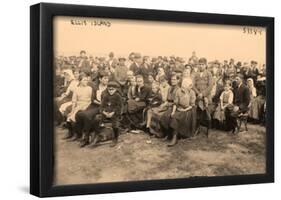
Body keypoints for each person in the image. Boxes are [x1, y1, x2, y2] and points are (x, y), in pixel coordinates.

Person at [76, 71, 109, 147]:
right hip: (95, 105)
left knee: (87, 115)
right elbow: (93, 99)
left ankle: (86, 138)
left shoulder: (109, 87)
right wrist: (98, 103)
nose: (106, 80)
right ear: (100, 79)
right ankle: (81, 134)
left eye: (107, 78)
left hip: (104, 107)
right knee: (80, 114)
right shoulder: (95, 87)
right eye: (105, 78)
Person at [92, 81, 123, 147]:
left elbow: (119, 107)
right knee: (96, 119)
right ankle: (97, 135)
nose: (111, 91)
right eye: (109, 89)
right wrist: (104, 112)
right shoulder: (106, 96)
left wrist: (113, 112)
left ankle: (115, 138)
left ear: (116, 89)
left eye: (112, 89)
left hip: (114, 113)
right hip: (105, 113)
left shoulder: (118, 96)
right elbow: (101, 106)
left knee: (115, 124)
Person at [64, 74, 92, 140]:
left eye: (87, 80)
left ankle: (81, 134)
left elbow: (92, 99)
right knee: (70, 117)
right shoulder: (76, 89)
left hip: (88, 105)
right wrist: (72, 111)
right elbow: (74, 101)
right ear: (80, 81)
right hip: (79, 105)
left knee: (78, 115)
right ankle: (75, 133)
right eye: (84, 80)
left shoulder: (89, 88)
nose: (86, 81)